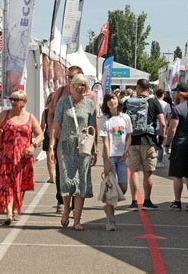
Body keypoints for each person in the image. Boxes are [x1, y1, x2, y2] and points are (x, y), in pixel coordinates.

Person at [0, 90, 44, 225]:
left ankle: (15, 209)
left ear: (23, 102)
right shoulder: (5, 115)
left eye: (16, 100)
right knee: (6, 184)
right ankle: (9, 213)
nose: (13, 102)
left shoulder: (30, 117)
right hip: (5, 157)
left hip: (23, 157)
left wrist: (33, 145)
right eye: (12, 99)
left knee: (19, 184)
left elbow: (41, 135)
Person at [49, 74, 97, 231]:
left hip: (83, 148)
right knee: (67, 181)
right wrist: (51, 146)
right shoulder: (63, 102)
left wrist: (94, 149)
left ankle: (77, 220)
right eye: (77, 84)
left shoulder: (90, 104)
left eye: (83, 85)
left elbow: (92, 128)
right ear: (72, 86)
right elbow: (55, 125)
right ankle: (65, 211)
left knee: (81, 181)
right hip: (66, 146)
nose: (80, 87)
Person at [124, 79, 165, 210]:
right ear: (149, 88)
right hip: (149, 140)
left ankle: (134, 202)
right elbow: (163, 124)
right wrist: (161, 139)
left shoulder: (129, 102)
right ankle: (147, 201)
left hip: (132, 140)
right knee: (148, 172)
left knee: (134, 172)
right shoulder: (154, 102)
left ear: (138, 88)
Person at [164, 83, 188, 211]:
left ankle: (177, 201)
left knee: (177, 175)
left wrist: (167, 144)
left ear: (180, 93)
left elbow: (172, 129)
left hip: (179, 144)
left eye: (176, 92)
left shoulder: (177, 109)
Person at [100, 93, 132, 231]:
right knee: (112, 189)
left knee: (123, 187)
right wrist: (107, 160)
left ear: (117, 101)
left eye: (113, 98)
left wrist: (126, 149)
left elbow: (129, 135)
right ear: (106, 104)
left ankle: (108, 205)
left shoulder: (125, 117)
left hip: (122, 156)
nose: (111, 101)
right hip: (110, 156)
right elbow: (105, 141)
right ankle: (111, 219)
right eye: (108, 100)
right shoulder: (105, 119)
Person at [40, 93, 55, 183]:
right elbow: (42, 126)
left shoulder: (60, 111)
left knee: (56, 157)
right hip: (48, 136)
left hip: (58, 136)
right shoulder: (45, 112)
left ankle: (56, 174)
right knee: (49, 157)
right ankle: (51, 176)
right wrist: (38, 136)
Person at [155, 89, 171, 168]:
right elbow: (169, 116)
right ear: (163, 95)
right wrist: (168, 126)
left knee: (153, 143)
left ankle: (152, 160)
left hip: (153, 125)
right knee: (161, 144)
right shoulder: (166, 104)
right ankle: (159, 161)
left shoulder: (153, 103)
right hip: (163, 125)